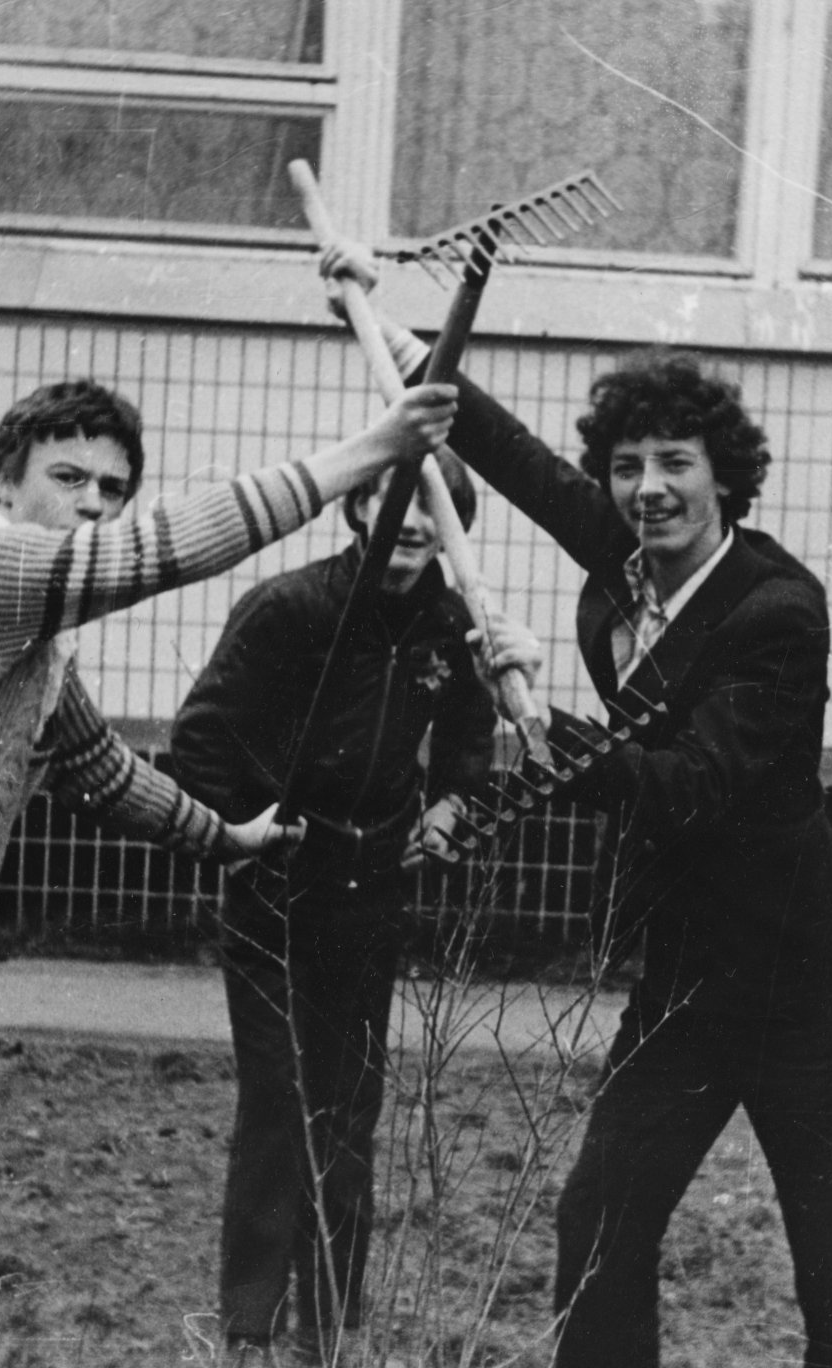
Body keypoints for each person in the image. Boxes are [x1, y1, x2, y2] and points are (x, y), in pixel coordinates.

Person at [0, 375, 457, 1368]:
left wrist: (229, 837)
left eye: (112, 489)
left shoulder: (34, 645)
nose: (93, 504)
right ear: (4, 480)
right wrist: (370, 451)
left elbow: (103, 772)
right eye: (67, 478)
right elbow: (159, 552)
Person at [321, 248, 832, 1367]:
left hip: (802, 978)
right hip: (687, 970)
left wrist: (541, 728)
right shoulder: (630, 563)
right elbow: (519, 461)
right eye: (628, 467)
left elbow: (690, 786)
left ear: (725, 477)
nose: (648, 489)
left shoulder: (777, 611)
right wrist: (389, 328)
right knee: (599, 1221)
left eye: (675, 463)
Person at [169, 449, 500, 1366]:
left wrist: (451, 805)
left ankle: (329, 1326)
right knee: (279, 1100)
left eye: (437, 507)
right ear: (357, 507)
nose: (415, 524)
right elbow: (201, 737)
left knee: (350, 1108)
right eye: (397, 500)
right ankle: (249, 1325)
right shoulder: (291, 609)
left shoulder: (450, 625)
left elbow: (470, 738)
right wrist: (253, 828)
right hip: (279, 893)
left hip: (372, 894)